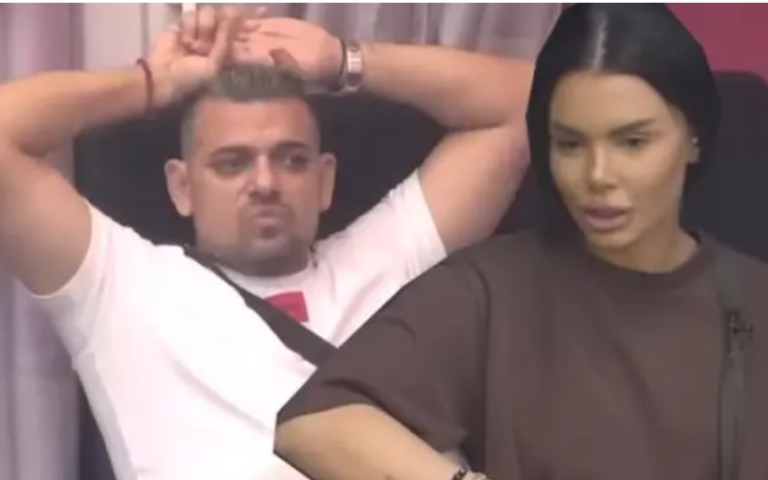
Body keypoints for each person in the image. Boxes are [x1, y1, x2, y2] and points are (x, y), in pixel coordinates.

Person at [0, 5, 533, 480]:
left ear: (325, 180)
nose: (265, 183)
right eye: (233, 163)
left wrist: (344, 60)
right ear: (181, 187)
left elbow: (529, 107)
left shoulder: (387, 254)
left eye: (291, 160)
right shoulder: (122, 287)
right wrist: (155, 82)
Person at [274, 4, 768, 480]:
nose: (598, 175)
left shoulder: (752, 297)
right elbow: (317, 423)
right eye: (570, 144)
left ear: (693, 137)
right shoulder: (491, 290)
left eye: (632, 142)